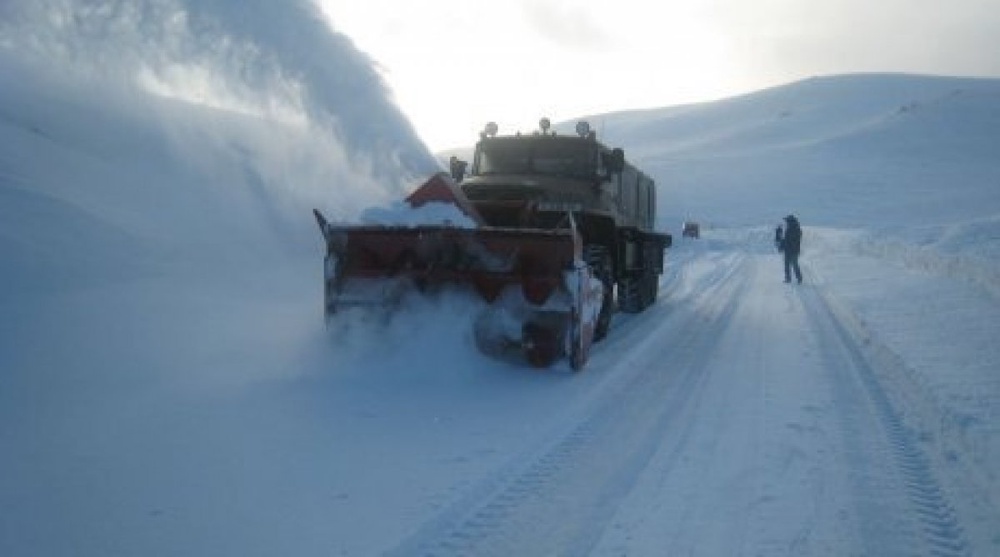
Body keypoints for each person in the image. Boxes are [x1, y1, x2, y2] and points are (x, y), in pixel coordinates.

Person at [781, 214, 802, 283]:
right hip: (795, 250)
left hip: (789, 250)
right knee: (795, 264)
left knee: (788, 265)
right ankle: (799, 278)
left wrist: (783, 246)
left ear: (790, 221)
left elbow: (787, 240)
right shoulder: (797, 228)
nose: (786, 222)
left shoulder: (790, 229)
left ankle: (788, 279)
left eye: (787, 221)